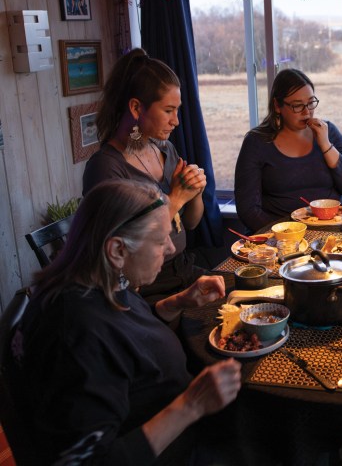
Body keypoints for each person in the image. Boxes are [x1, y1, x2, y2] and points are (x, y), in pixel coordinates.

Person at [9, 179, 242, 464]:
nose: (170, 249)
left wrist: (175, 303)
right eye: (159, 241)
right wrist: (191, 405)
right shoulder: (75, 334)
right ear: (117, 250)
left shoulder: (97, 281)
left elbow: (127, 338)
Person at [83, 48, 206, 303]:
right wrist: (176, 198)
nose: (176, 121)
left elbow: (191, 223)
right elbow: (125, 253)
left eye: (178, 110)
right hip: (144, 291)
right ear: (137, 108)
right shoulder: (106, 168)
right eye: (168, 110)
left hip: (183, 270)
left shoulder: (164, 150)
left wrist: (195, 192)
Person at [235, 68, 342, 232]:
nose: (306, 111)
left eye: (310, 103)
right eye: (297, 106)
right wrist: (288, 233)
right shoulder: (257, 142)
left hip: (332, 231)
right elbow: (248, 210)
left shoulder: (328, 131)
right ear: (277, 106)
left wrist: (325, 145)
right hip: (280, 237)